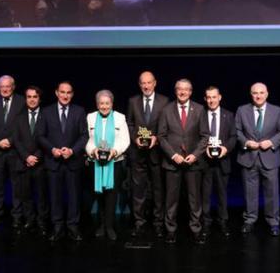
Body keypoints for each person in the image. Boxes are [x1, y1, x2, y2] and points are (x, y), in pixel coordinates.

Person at [158, 79, 209, 245]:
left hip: (193, 163)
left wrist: (195, 155)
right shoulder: (166, 110)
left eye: (186, 89)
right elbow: (161, 136)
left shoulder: (200, 109)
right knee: (171, 199)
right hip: (172, 163)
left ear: (191, 92)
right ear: (175, 90)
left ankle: (196, 230)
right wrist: (173, 155)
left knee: (194, 200)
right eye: (179, 89)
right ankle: (170, 230)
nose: (182, 92)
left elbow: (205, 136)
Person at [36, 81, 87, 241]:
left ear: (72, 94)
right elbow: (40, 136)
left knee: (74, 196)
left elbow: (84, 135)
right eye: (62, 92)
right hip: (53, 161)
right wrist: (52, 149)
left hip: (73, 162)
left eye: (68, 92)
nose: (65, 95)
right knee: (55, 196)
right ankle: (57, 227)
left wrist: (72, 150)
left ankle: (73, 227)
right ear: (57, 93)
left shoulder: (79, 111)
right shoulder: (46, 112)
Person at [126, 71, 170, 238]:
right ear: (139, 84)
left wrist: (156, 138)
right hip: (138, 153)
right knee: (138, 189)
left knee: (158, 190)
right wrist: (135, 137)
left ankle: (158, 223)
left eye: (149, 82)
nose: (146, 86)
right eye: (143, 83)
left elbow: (167, 126)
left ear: (155, 83)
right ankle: (139, 223)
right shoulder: (133, 101)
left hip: (157, 153)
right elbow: (129, 123)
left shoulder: (164, 101)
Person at [235, 82, 280, 236]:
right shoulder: (242, 110)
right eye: (255, 93)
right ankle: (250, 220)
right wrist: (246, 142)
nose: (258, 96)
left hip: (270, 157)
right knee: (249, 192)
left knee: (272, 193)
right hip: (248, 157)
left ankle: (273, 222)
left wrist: (271, 142)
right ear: (251, 94)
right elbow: (237, 131)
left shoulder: (277, 111)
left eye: (262, 92)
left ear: (267, 94)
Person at [85, 90, 130, 241]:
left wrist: (115, 151)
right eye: (101, 103)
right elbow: (87, 140)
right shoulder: (90, 117)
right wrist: (93, 150)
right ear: (97, 104)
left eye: (107, 103)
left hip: (114, 162)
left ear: (112, 103)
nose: (104, 106)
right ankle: (101, 225)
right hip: (95, 162)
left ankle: (109, 226)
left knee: (111, 194)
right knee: (99, 194)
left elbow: (125, 140)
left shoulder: (119, 117)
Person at [0, 75, 25, 229]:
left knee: (17, 186)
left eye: (8, 86)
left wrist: (10, 140)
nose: (5, 89)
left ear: (13, 87)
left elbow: (23, 125)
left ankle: (17, 216)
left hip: (15, 151)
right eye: (2, 86)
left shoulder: (21, 101)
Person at [10, 86, 50, 237]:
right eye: (29, 97)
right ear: (26, 98)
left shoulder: (45, 116)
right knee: (25, 195)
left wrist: (36, 157)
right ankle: (30, 220)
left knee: (41, 195)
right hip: (23, 161)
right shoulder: (19, 117)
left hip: (40, 162)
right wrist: (26, 157)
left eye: (35, 97)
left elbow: (47, 138)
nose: (32, 99)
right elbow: (16, 140)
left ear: (40, 98)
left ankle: (42, 222)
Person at [200, 86, 237, 239]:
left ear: (219, 97)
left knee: (222, 195)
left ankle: (223, 222)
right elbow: (196, 137)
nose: (211, 100)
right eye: (208, 97)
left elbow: (233, 137)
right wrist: (204, 148)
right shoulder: (200, 114)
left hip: (223, 162)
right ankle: (206, 223)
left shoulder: (228, 115)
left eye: (214, 97)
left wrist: (225, 149)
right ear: (205, 99)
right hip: (205, 162)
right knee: (205, 195)